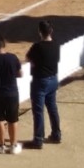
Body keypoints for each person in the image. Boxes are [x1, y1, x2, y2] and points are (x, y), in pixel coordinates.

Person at [25, 19, 62, 148]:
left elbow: (28, 58)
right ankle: (56, 134)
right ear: (51, 31)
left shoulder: (37, 47)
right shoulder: (56, 45)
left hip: (41, 81)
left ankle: (38, 139)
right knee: (52, 108)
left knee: (38, 111)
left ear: (40, 32)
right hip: (53, 79)